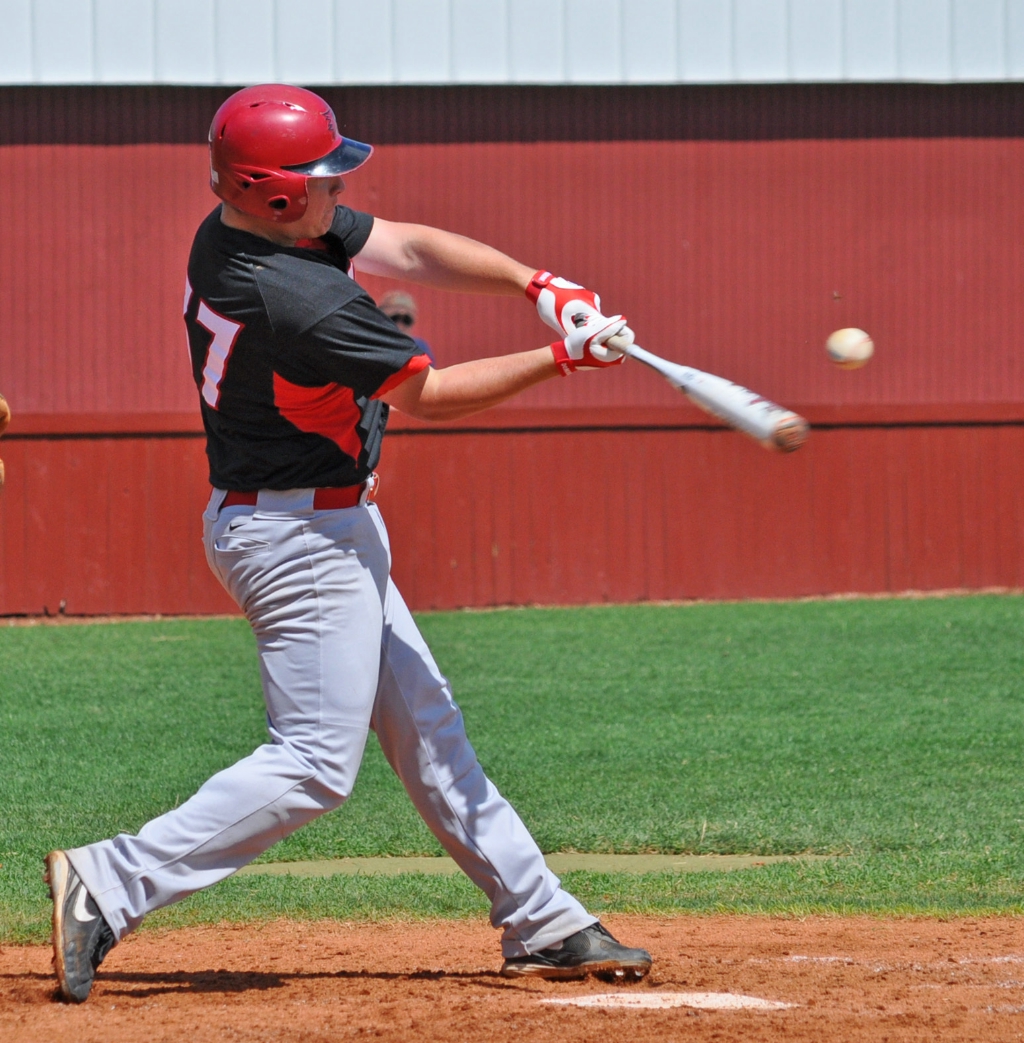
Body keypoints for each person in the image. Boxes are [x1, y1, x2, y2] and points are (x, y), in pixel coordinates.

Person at [45, 84, 650, 1004]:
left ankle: (542, 919)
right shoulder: (297, 294)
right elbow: (430, 395)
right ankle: (113, 878)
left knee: (430, 729)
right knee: (315, 764)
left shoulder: (245, 227)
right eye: (322, 177)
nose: (339, 189)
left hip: (310, 518)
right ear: (277, 195)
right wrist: (563, 359)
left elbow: (403, 243)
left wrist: (540, 285)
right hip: (298, 536)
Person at [377, 289, 435, 363]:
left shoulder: (419, 348)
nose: (400, 326)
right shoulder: (370, 344)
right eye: (394, 318)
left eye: (406, 320)